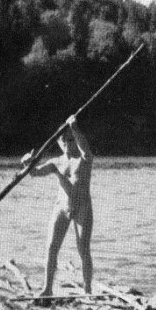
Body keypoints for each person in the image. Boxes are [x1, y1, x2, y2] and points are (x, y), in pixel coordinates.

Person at [21, 115, 94, 297]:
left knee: (83, 249)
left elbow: (85, 148)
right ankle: (47, 289)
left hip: (82, 207)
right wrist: (27, 163)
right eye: (64, 140)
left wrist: (74, 127)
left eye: (71, 139)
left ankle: (87, 290)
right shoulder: (56, 162)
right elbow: (35, 173)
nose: (68, 143)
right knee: (51, 247)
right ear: (60, 143)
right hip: (61, 207)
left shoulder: (84, 158)